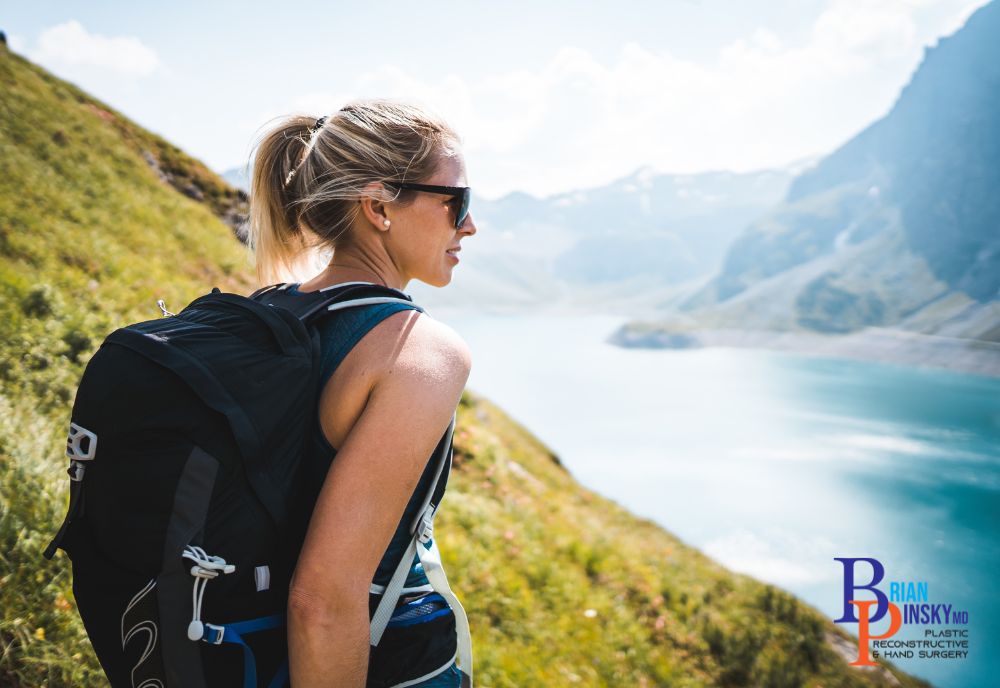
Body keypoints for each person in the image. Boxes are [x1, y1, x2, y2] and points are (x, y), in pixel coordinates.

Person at [247, 99, 478, 687]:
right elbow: (322, 601)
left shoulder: (265, 313)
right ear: (378, 206)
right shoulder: (417, 350)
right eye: (455, 201)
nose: (469, 225)